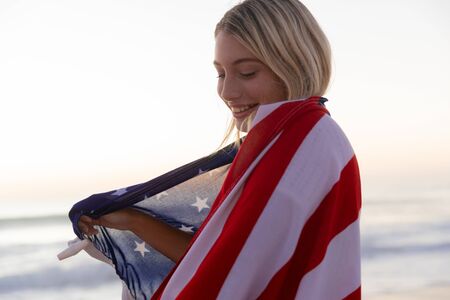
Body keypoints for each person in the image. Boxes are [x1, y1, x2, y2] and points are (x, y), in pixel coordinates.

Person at [77, 0, 361, 299]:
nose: (227, 92)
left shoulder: (304, 144)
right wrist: (137, 221)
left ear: (294, 64)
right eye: (221, 74)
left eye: (247, 72)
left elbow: (230, 277)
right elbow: (225, 262)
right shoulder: (277, 145)